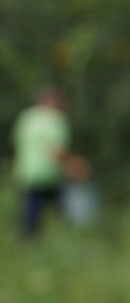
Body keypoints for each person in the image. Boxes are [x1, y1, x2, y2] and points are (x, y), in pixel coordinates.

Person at [11, 86, 88, 238]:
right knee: (65, 212)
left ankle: (28, 243)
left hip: (26, 173)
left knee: (31, 213)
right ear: (54, 102)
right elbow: (56, 151)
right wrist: (74, 163)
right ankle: (70, 239)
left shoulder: (27, 117)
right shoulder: (55, 119)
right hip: (48, 174)